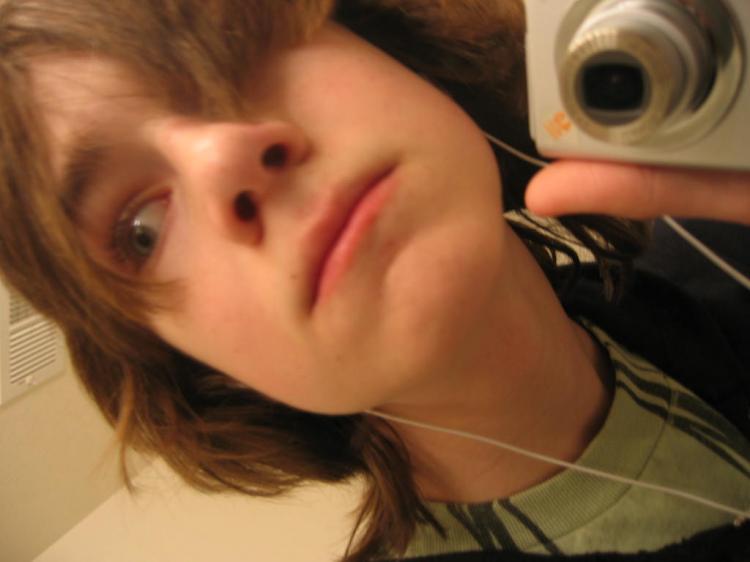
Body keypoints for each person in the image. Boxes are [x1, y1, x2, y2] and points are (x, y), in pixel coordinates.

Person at [0, 1, 747, 561]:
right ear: (193, 362)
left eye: (240, 37)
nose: (223, 159)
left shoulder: (681, 287)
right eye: (142, 229)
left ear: (393, 51)